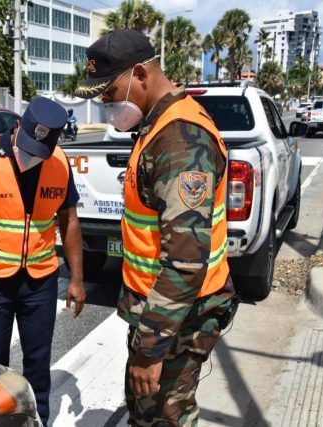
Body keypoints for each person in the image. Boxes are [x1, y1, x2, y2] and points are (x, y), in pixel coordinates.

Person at [75, 29, 238, 426]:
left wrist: (150, 349)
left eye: (110, 92)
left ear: (141, 75)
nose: (105, 103)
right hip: (164, 312)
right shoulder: (159, 124)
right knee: (149, 411)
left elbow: (185, 261)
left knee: (163, 415)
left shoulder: (181, 141)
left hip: (181, 316)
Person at [0, 96, 86, 426]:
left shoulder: (60, 163)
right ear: (18, 126)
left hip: (40, 281)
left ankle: (38, 422)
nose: (30, 158)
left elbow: (70, 222)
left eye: (39, 152)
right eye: (26, 147)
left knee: (37, 365)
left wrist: (77, 278)